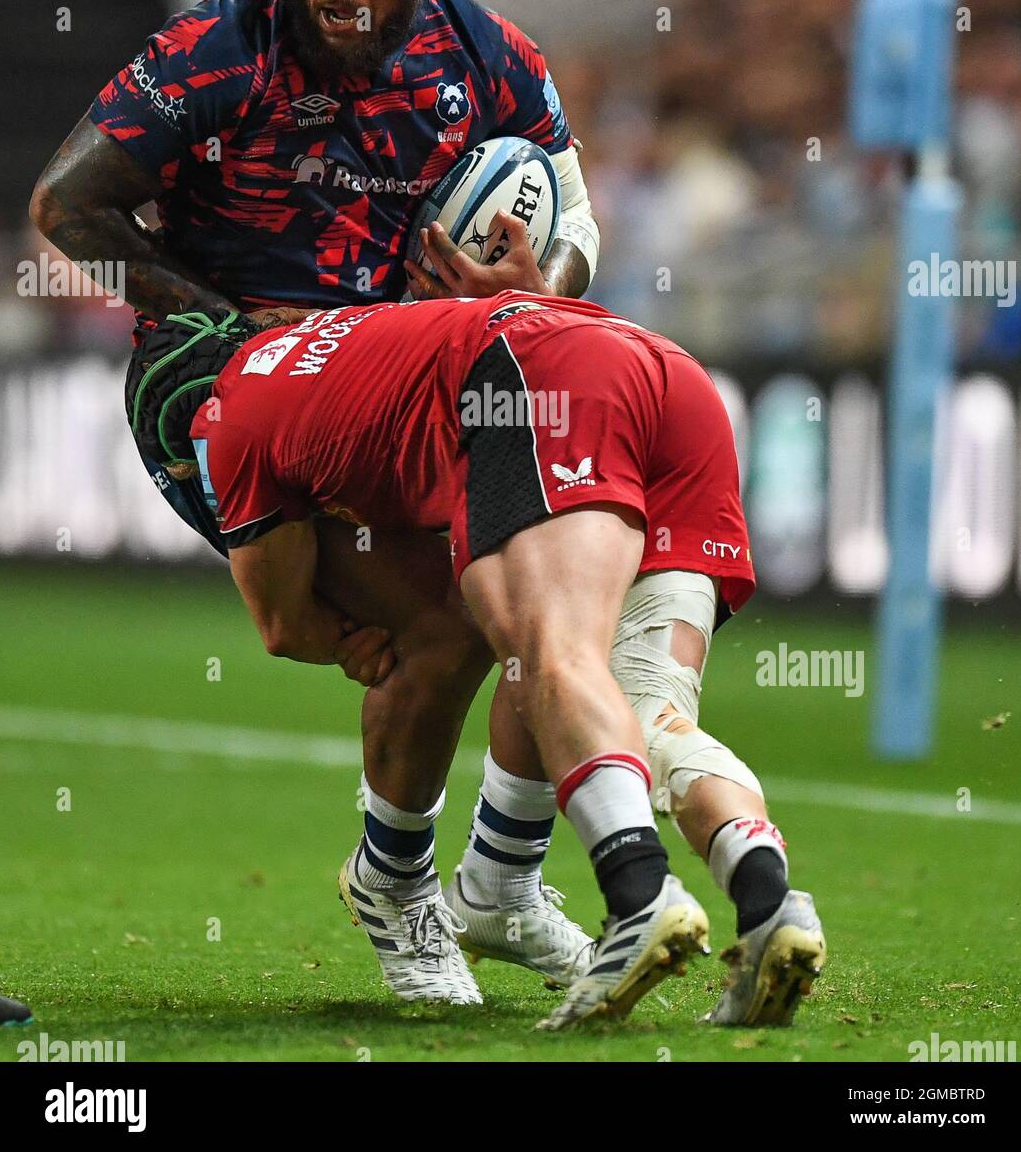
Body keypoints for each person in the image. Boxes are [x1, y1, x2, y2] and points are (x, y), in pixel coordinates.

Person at [28, 0, 602, 999]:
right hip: (225, 388)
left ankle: (498, 880)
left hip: (391, 384)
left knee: (548, 594)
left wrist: (535, 282)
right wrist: (228, 318)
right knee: (439, 621)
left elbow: (573, 214)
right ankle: (397, 886)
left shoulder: (490, 60)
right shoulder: (218, 48)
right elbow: (65, 207)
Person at [126, 283, 826, 1028]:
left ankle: (639, 893)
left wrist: (352, 641)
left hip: (545, 384)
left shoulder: (224, 417)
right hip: (668, 375)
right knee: (647, 707)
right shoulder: (342, 328)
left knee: (552, 652)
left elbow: (283, 626)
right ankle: (768, 900)